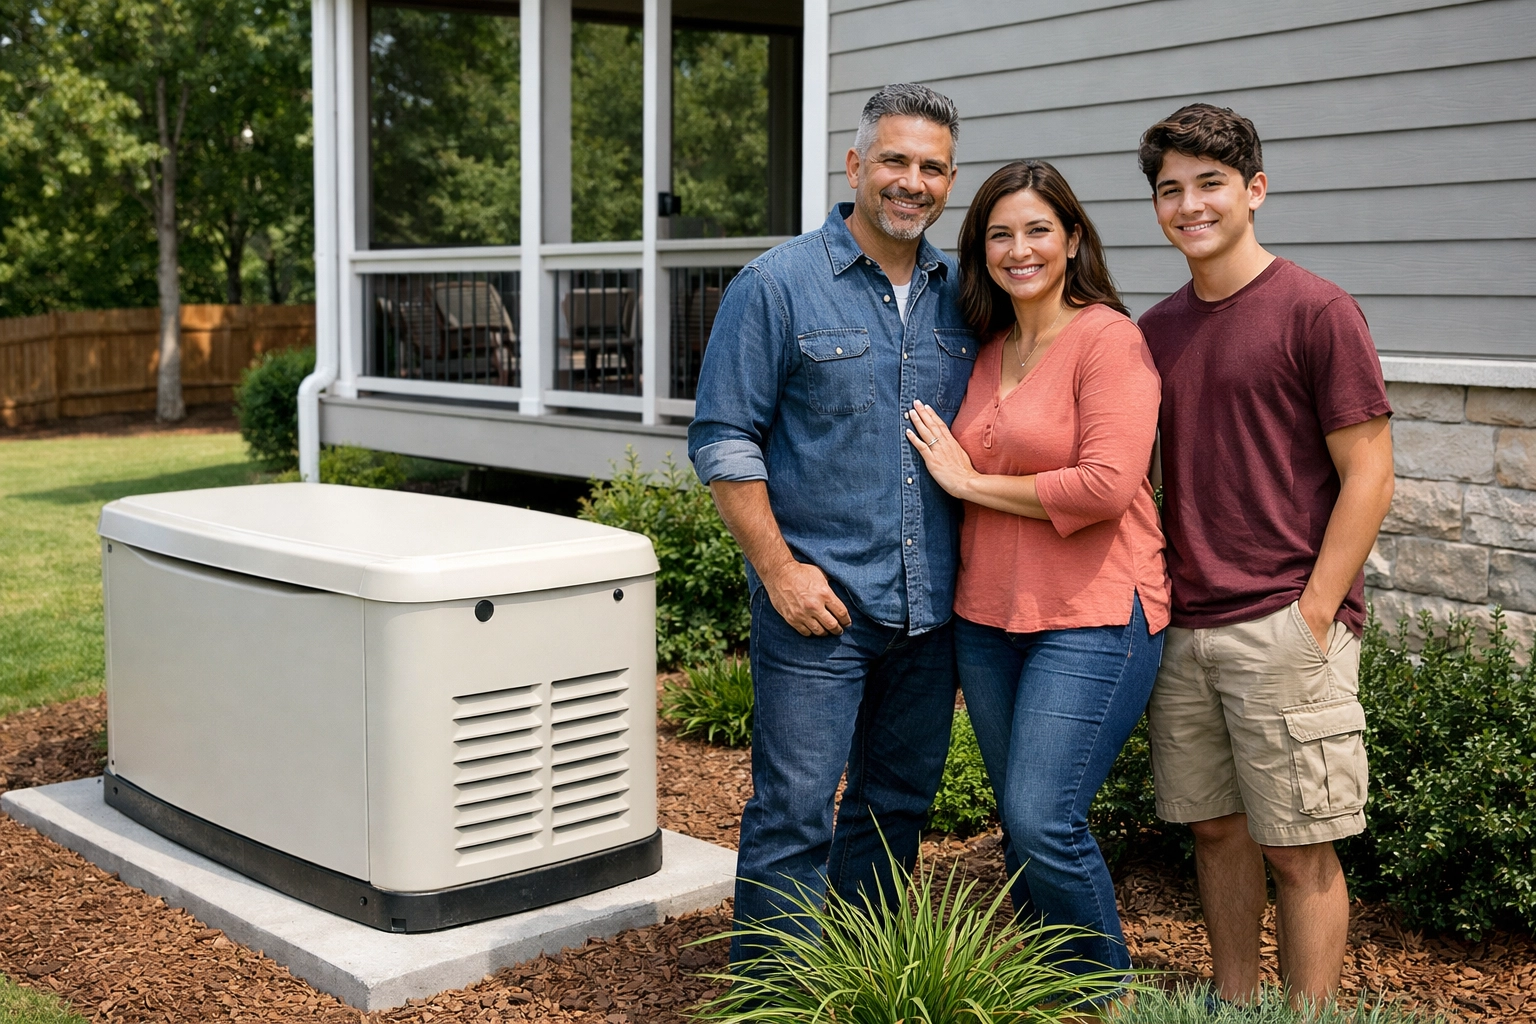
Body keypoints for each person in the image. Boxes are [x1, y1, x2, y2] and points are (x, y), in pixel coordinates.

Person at [686, 83, 973, 964]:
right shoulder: (776, 286)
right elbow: (724, 437)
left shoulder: (966, 294)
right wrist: (778, 570)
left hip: (932, 612)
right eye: (894, 160)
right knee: (795, 809)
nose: (911, 182)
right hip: (817, 602)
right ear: (855, 166)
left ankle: (860, 974)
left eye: (932, 167)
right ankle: (774, 994)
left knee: (896, 804)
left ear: (949, 180)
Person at [1135, 103, 1395, 1005]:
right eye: (1171, 190)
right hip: (1187, 625)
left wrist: (1315, 612)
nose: (1190, 205)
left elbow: (1369, 472)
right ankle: (1235, 1004)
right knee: (1214, 832)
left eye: (1210, 184)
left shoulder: (1315, 309)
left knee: (1298, 844)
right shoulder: (1156, 331)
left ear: (1254, 189)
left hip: (1285, 621)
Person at [904, 159, 1170, 984]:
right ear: (980, 251)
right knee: (1020, 829)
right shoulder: (985, 346)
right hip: (989, 618)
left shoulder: (1109, 340)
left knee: (1042, 817)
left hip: (1094, 613)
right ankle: (1052, 984)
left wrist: (970, 482)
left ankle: (1107, 993)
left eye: (1038, 231)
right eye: (1000, 235)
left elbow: (1106, 486)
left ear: (1073, 239)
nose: (1019, 250)